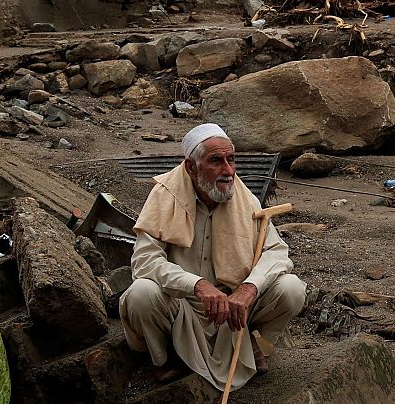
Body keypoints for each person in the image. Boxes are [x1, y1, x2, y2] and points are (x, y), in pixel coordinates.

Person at [122, 124, 307, 391]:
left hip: (233, 309)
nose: (228, 171)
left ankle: (256, 346)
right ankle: (163, 361)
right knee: (141, 293)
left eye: (231, 160)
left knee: (291, 288)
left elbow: (276, 253)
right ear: (191, 167)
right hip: (183, 306)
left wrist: (248, 288)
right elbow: (145, 262)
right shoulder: (164, 196)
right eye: (216, 161)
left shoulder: (246, 199)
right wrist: (196, 285)